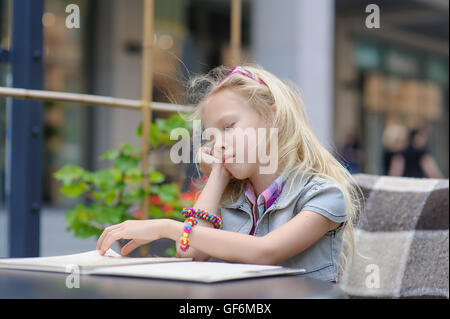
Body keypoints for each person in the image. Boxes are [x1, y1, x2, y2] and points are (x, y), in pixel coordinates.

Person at [96, 64, 364, 283]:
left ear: (274, 119)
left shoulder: (324, 195)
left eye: (228, 126)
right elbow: (190, 252)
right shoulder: (233, 198)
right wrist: (219, 175)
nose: (217, 143)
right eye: (211, 137)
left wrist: (165, 226)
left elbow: (265, 252)